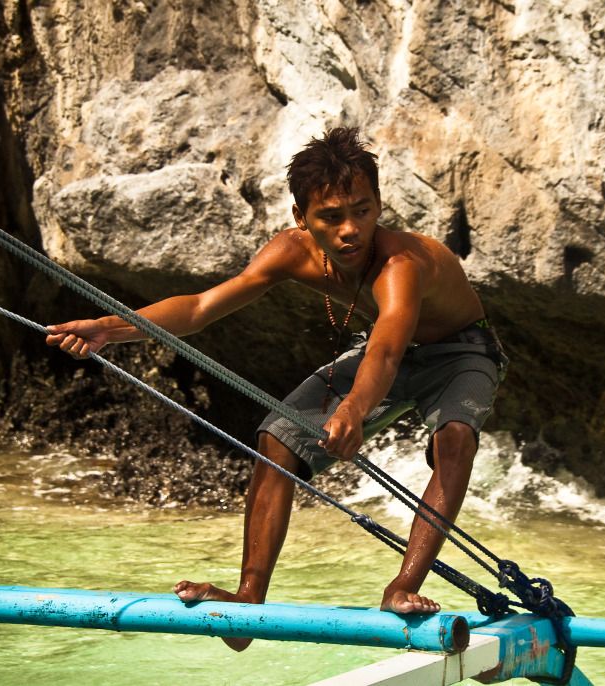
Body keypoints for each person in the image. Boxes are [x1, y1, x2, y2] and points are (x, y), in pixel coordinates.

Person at [45, 127, 506, 651]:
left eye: (363, 210)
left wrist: (355, 409)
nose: (351, 229)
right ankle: (248, 599)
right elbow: (199, 308)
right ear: (301, 218)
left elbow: (385, 353)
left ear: (379, 205)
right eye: (331, 217)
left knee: (455, 440)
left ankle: (402, 587)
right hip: (384, 346)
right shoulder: (291, 252)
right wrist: (112, 328)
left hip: (460, 351)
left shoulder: (401, 264)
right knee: (277, 437)